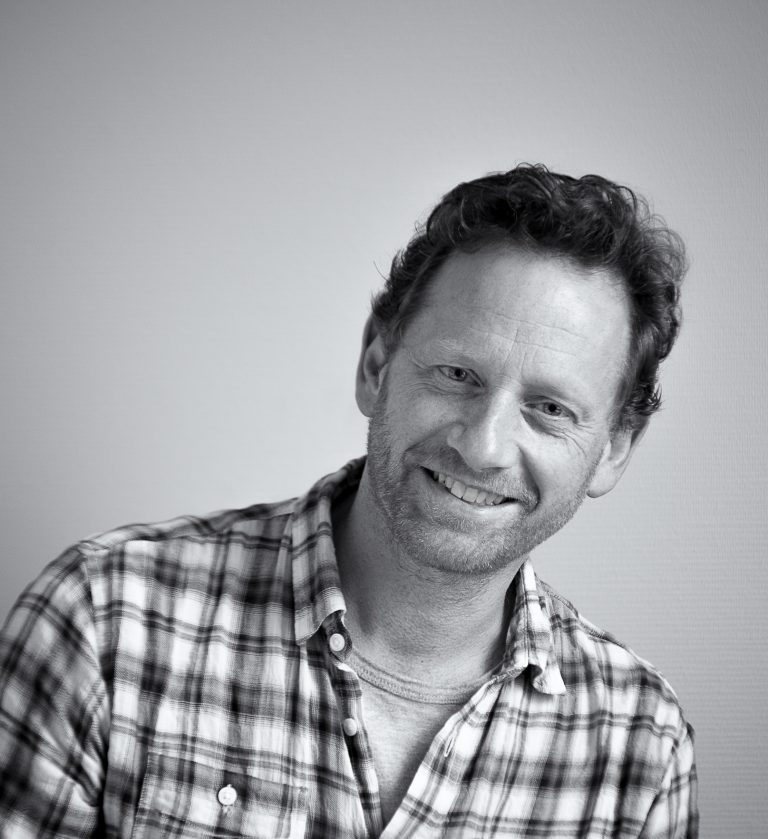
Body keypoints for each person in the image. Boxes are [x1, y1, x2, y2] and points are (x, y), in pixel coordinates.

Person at [0, 164, 698, 837]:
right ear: (375, 365)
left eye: (549, 408)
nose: (484, 446)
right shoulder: (102, 623)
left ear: (613, 450)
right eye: (457, 374)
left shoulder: (640, 745)